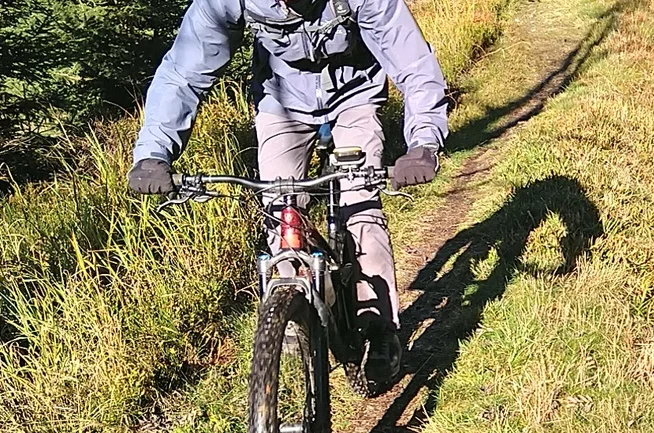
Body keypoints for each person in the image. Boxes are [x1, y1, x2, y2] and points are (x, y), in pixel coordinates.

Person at [127, 0, 450, 383]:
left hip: (355, 98)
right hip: (280, 104)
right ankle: (292, 311)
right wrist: (153, 154)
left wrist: (423, 145)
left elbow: (413, 64)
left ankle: (378, 327)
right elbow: (183, 71)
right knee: (281, 209)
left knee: (359, 200)